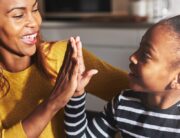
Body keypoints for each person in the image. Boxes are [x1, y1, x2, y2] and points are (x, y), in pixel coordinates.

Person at [0, 0, 129, 137]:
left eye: (35, 9)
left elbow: (138, 91)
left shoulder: (65, 56)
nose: (35, 22)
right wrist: (54, 102)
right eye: (18, 15)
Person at [64, 15, 180, 138]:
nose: (132, 57)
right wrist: (76, 94)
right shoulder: (122, 102)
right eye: (139, 47)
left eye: (146, 55)